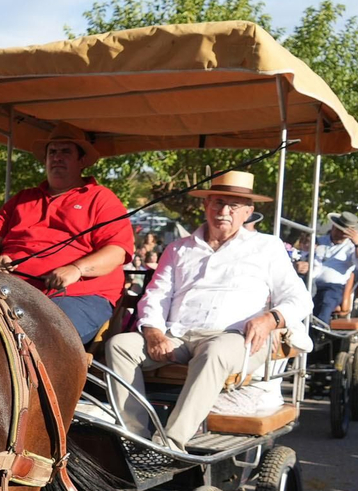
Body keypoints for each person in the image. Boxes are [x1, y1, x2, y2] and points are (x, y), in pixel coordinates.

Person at [104, 171, 310, 451]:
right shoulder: (178, 249)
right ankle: (135, 436)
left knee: (214, 353)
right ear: (206, 205)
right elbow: (156, 295)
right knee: (119, 345)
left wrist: (270, 319)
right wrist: (153, 332)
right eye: (217, 203)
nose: (224, 211)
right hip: (178, 335)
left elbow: (299, 299)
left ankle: (169, 443)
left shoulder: (267, 247)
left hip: (234, 338)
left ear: (248, 212)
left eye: (234, 206)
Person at [0, 122, 133, 345]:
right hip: (9, 289)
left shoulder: (102, 199)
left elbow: (117, 251)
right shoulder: (23, 198)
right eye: (53, 152)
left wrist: (77, 269)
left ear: (81, 161)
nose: (57, 157)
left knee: (35, 334)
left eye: (65, 151)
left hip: (78, 296)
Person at [300, 212, 358, 323]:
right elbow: (301, 255)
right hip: (309, 283)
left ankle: (318, 333)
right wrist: (300, 265)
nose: (340, 234)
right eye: (338, 230)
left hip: (333, 288)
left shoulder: (352, 248)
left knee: (325, 303)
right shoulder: (319, 241)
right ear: (333, 227)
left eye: (344, 232)